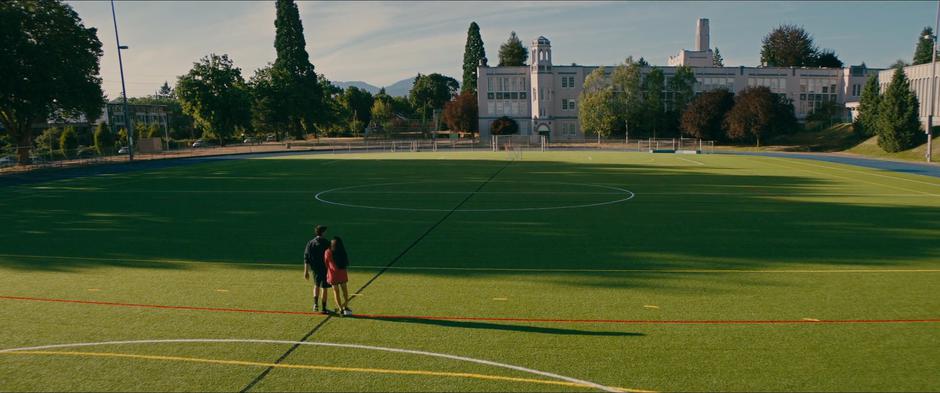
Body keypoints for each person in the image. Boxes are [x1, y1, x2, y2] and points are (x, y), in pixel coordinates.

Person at [303, 225, 332, 314]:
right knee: (324, 288)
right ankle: (323, 308)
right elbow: (331, 256)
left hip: (315, 268)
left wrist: (306, 271)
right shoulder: (326, 242)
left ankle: (315, 305)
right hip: (325, 268)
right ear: (322, 232)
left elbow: (306, 257)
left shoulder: (310, 243)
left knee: (316, 285)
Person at [324, 236, 352, 316]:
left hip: (333, 275)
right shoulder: (342, 251)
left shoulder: (328, 252)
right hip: (342, 274)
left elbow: (326, 263)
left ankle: (340, 309)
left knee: (336, 292)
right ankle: (346, 306)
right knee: (345, 291)